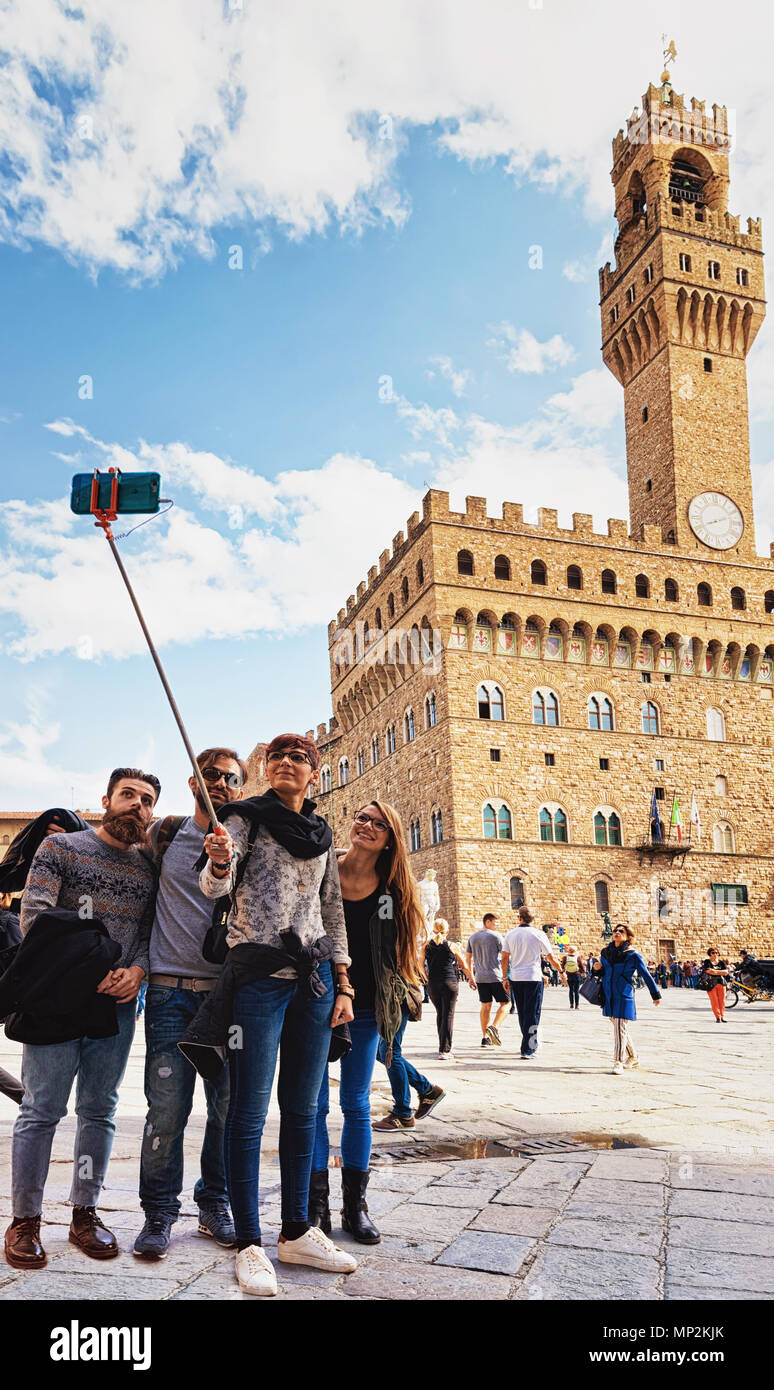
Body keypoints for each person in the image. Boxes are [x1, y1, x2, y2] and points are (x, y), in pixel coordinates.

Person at [196, 733, 357, 1297]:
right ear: (267, 769)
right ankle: (249, 1243)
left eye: (301, 759)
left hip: (312, 981)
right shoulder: (243, 819)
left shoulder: (321, 833)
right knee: (248, 1111)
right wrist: (218, 861)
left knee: (305, 1110)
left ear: (314, 773)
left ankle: (296, 1230)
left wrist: (343, 983)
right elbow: (215, 878)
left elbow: (331, 908)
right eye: (279, 758)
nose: (288, 763)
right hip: (259, 977)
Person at [4, 770, 158, 1271]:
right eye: (128, 794)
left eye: (147, 800)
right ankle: (25, 1220)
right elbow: (35, 917)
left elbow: (149, 932)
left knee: (99, 1109)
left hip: (115, 1005)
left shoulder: (147, 867)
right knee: (41, 1110)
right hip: (56, 997)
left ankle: (84, 1213)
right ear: (106, 800)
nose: (136, 805)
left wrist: (136, 971)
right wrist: (93, 967)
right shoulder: (61, 849)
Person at [133, 747, 247, 1261]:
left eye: (231, 778)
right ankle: (158, 1211)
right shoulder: (165, 835)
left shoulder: (247, 840)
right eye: (211, 774)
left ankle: (214, 1203)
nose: (220, 783)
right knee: (167, 1109)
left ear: (240, 789)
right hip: (167, 993)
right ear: (193, 780)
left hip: (227, 999)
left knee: (226, 1108)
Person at [310, 800, 427, 1242]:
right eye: (362, 817)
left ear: (391, 838)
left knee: (355, 1103)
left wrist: (398, 1001)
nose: (367, 826)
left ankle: (354, 1207)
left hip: (366, 1006)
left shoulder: (393, 891)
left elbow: (401, 952)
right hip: (316, 999)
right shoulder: (323, 867)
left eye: (379, 824)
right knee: (313, 1106)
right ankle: (315, 1205)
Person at [592, 925, 661, 1073]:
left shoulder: (632, 954)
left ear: (628, 936)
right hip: (608, 994)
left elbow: (645, 974)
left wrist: (655, 994)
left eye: (621, 931)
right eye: (615, 931)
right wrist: (596, 968)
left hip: (623, 993)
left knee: (619, 1027)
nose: (616, 933)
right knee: (619, 1027)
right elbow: (603, 972)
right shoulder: (605, 952)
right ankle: (634, 1056)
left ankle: (618, 1061)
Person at [501, 907, 564, 1059]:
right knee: (533, 1012)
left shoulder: (510, 934)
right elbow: (551, 957)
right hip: (533, 977)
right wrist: (561, 972)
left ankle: (527, 1043)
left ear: (519, 918)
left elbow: (504, 958)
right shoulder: (538, 934)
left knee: (522, 1013)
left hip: (516, 977)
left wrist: (504, 977)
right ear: (533, 919)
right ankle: (528, 1048)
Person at [421, 918, 473, 1060]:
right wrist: (471, 979)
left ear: (433, 930)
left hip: (433, 984)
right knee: (448, 1015)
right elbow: (464, 966)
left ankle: (443, 1045)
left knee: (440, 1014)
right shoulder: (451, 946)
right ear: (447, 931)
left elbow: (420, 965)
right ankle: (445, 1049)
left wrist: (426, 978)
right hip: (450, 983)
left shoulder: (426, 946)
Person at [466, 913, 509, 1047]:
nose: (497, 925)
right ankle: (494, 1027)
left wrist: (471, 977)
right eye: (496, 923)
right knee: (506, 1004)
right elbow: (505, 956)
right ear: (488, 921)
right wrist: (505, 977)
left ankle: (485, 1037)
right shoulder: (496, 936)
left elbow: (468, 958)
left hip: (480, 977)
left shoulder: (472, 937)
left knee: (485, 1006)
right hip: (495, 975)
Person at [702, 947, 729, 1021]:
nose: (715, 954)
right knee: (714, 1001)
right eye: (713, 952)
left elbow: (726, 972)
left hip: (721, 983)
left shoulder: (721, 962)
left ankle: (722, 1016)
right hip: (711, 983)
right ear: (709, 954)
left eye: (716, 952)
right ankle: (718, 1017)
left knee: (722, 1001)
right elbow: (708, 971)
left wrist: (714, 971)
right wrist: (720, 972)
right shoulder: (707, 962)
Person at [560, 946, 582, 1010]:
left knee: (571, 990)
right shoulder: (577, 957)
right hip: (576, 974)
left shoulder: (565, 957)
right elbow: (581, 966)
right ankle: (577, 1005)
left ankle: (571, 1004)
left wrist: (562, 973)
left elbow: (562, 966)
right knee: (576, 991)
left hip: (569, 975)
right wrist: (583, 972)